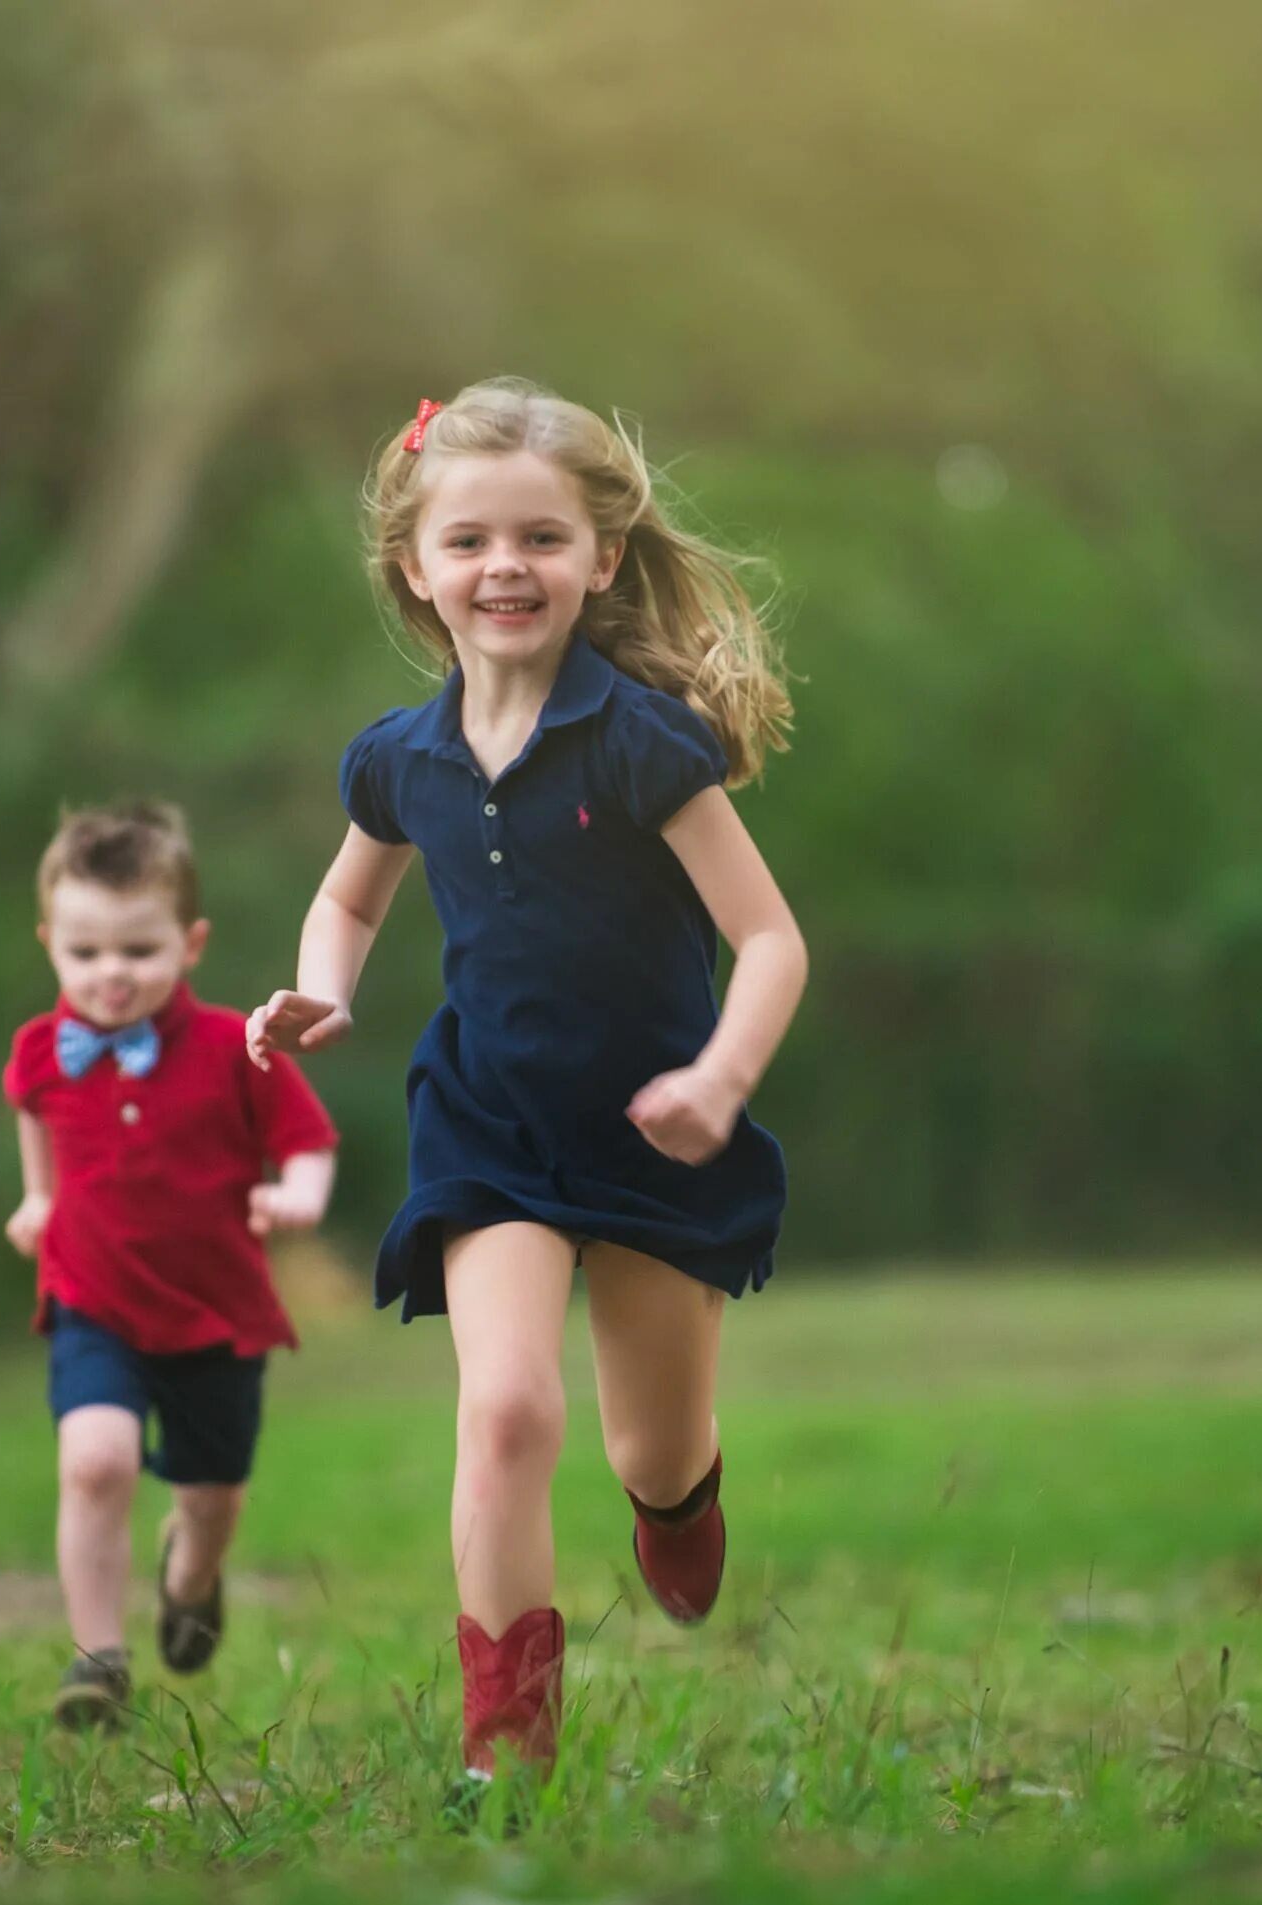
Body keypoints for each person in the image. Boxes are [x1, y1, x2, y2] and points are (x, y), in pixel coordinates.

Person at [247, 379, 806, 1783]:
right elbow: (352, 903)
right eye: (473, 541)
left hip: (656, 1134)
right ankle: (507, 1746)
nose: (507, 566)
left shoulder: (640, 742)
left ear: (602, 559)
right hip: (489, 1124)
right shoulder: (400, 759)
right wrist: (324, 983)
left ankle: (678, 1504)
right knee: (502, 1410)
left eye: (543, 539)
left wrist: (722, 1082)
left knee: (649, 1446)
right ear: (417, 568)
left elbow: (769, 938)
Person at [4, 802, 337, 1728]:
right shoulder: (40, 1050)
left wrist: (300, 1194)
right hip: (92, 1299)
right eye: (85, 953)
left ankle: (190, 1575)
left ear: (190, 944)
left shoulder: (239, 1045)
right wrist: (39, 1198)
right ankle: (96, 1660)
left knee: (212, 1494)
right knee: (96, 1462)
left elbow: (306, 1138)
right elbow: (34, 1110)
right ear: (51, 946)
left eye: (138, 951)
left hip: (216, 1313)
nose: (111, 974)